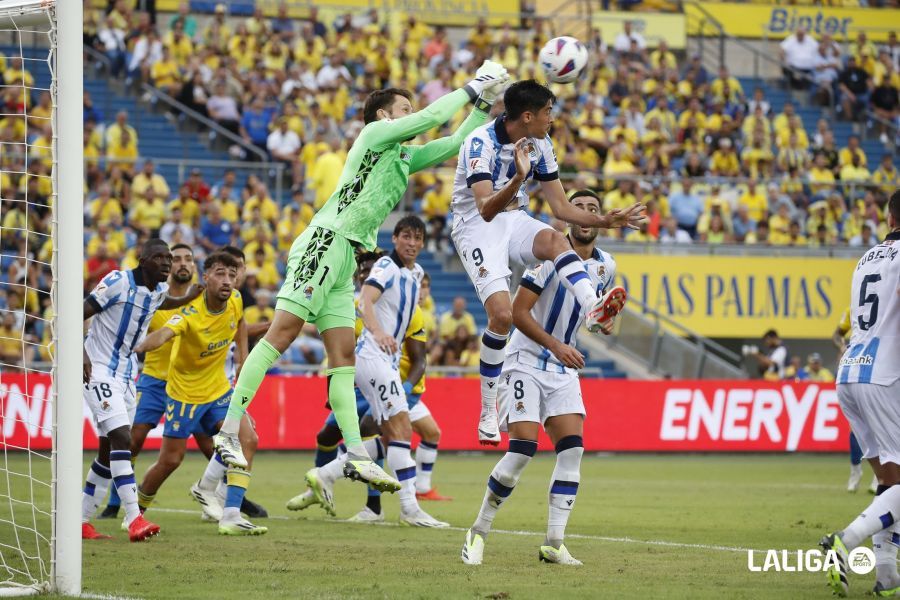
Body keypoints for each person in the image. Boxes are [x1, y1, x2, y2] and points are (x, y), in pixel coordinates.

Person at [212, 62, 512, 500]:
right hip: (326, 240)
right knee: (282, 334)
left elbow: (452, 142)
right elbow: (431, 119)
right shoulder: (372, 137)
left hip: (348, 258)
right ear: (383, 117)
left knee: (342, 358)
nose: (413, 114)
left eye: (412, 107)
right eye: (403, 108)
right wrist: (472, 85)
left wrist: (484, 104)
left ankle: (354, 453)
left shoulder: (402, 158)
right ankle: (227, 430)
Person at [449, 80, 642, 446]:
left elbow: (560, 208)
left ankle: (592, 306)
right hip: (476, 226)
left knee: (556, 238)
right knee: (502, 317)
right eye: (547, 112)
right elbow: (486, 209)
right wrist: (520, 176)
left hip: (515, 217)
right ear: (527, 116)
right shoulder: (480, 142)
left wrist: (604, 220)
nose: (552, 119)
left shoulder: (540, 143)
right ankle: (489, 410)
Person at [461, 190, 619, 566]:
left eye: (593, 209)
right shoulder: (549, 256)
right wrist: (556, 346)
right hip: (526, 359)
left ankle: (554, 541)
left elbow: (600, 317)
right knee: (522, 450)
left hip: (563, 368)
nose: (585, 214)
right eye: (578, 207)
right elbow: (518, 312)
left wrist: (604, 323)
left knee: (573, 449)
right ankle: (478, 531)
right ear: (568, 217)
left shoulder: (605, 266)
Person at [133, 251, 265, 536]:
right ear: (205, 278)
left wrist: (243, 358)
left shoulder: (237, 300)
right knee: (171, 460)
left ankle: (230, 513)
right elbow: (163, 335)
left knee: (247, 439)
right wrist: (138, 347)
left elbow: (240, 324)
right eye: (220, 273)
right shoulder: (189, 314)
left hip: (218, 390)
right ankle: (136, 512)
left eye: (232, 275)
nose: (227, 281)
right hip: (185, 394)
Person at [80, 239, 202, 541]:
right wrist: (80, 353)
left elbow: (163, 303)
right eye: (159, 257)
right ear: (142, 259)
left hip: (126, 375)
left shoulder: (159, 290)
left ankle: (80, 520)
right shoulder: (118, 281)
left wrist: (188, 297)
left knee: (109, 450)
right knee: (123, 437)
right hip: (97, 369)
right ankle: (135, 518)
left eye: (169, 258)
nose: (167, 263)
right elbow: (77, 311)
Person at [821, 191, 900, 597]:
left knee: (891, 483)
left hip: (851, 371)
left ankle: (886, 578)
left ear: (889, 217)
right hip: (886, 375)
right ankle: (844, 543)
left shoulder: (866, 257)